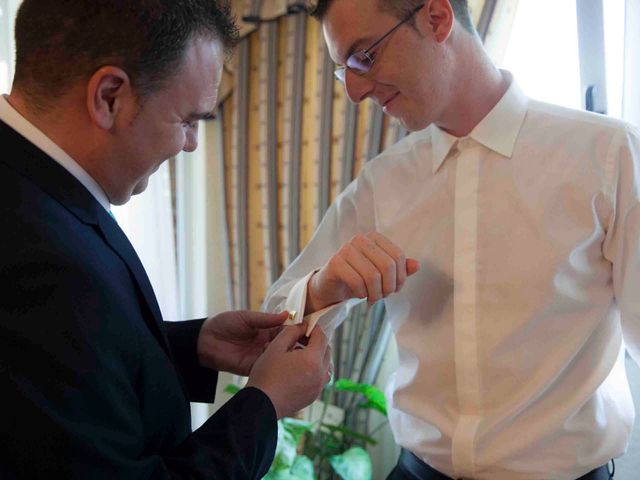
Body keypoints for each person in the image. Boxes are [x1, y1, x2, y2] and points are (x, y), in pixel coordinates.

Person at [262, 0, 640, 479]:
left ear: (436, 18)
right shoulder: (383, 182)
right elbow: (270, 324)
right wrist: (323, 288)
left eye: (365, 56)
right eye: (345, 71)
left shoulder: (608, 156)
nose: (354, 91)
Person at [0, 1, 332, 478]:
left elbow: (58, 373)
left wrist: (190, 343)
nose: (190, 144)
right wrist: (264, 404)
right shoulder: (40, 256)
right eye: (187, 120)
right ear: (109, 97)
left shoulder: (38, 185)